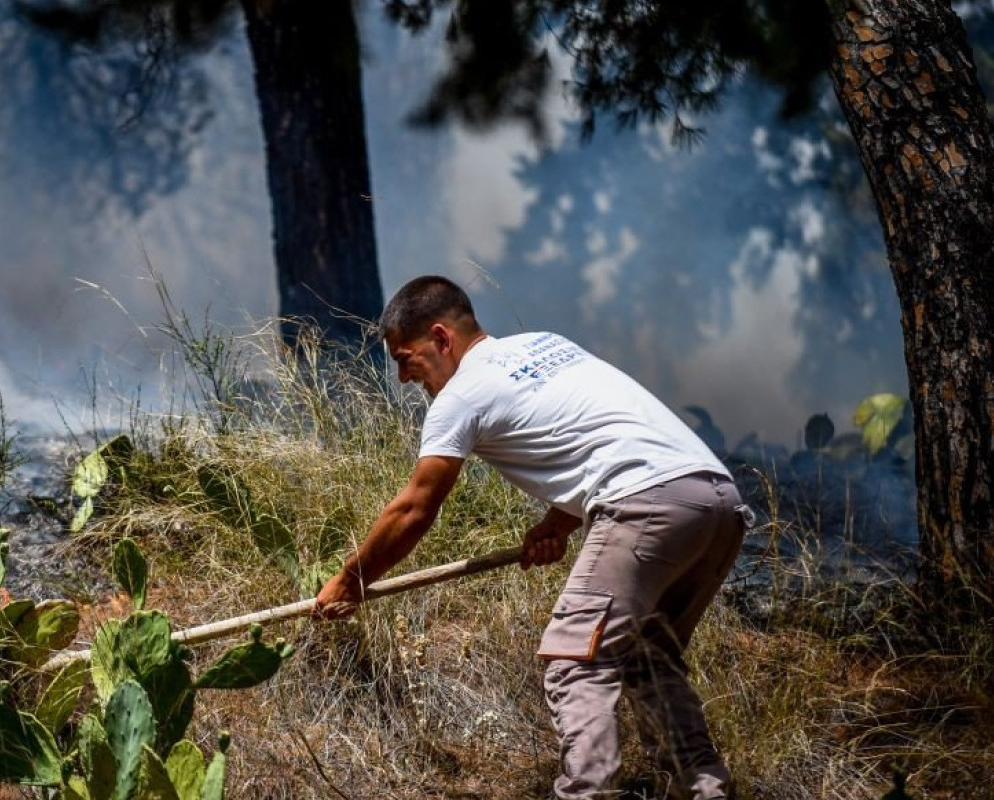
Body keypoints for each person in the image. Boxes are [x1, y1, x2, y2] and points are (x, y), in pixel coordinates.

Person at [313, 276, 749, 800]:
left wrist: (350, 580)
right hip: (715, 501)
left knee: (574, 662)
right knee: (646, 657)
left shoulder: (461, 395)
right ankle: (705, 791)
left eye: (406, 359)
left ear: (440, 337)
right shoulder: (546, 345)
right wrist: (561, 520)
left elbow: (414, 509)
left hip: (644, 505)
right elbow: (601, 431)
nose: (405, 378)